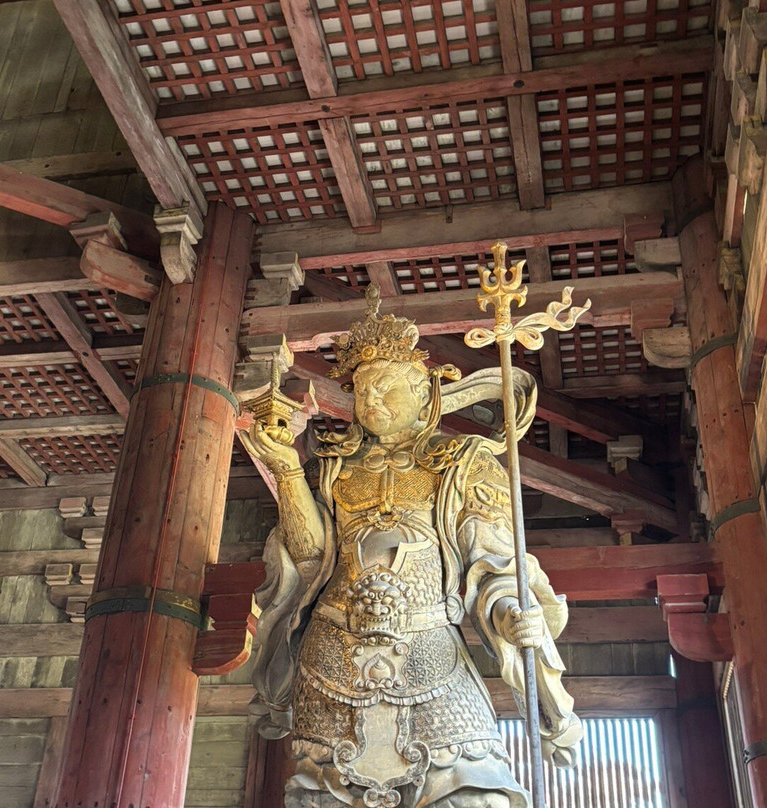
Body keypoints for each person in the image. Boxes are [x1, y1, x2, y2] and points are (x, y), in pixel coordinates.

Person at [242, 285, 581, 808]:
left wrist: (514, 608)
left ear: (425, 394)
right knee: (323, 797)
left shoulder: (462, 465)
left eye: (386, 387)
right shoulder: (329, 469)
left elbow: (494, 562)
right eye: (361, 390)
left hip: (432, 652)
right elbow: (308, 559)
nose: (371, 400)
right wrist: (286, 469)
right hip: (333, 657)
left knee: (475, 796)